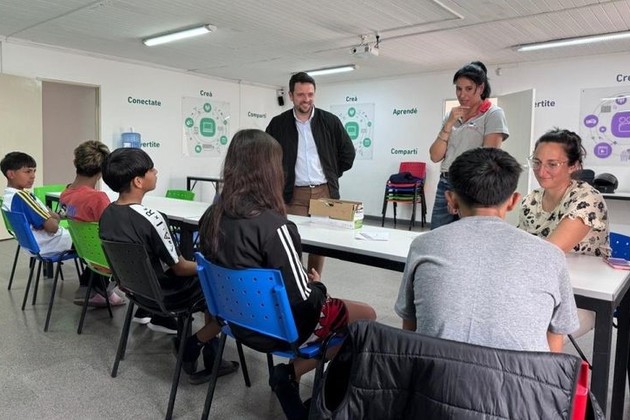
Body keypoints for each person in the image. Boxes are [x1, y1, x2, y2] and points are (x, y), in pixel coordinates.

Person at [199, 129, 375, 420]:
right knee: (366, 317)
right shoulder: (276, 227)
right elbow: (302, 299)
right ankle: (294, 376)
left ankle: (289, 375)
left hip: (235, 321)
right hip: (280, 330)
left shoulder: (210, 217)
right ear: (269, 171)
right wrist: (319, 286)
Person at [395, 147, 579, 352]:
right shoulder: (551, 255)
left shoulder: (423, 245)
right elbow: (556, 338)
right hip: (518, 374)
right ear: (513, 201)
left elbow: (409, 329)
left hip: (435, 371)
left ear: (451, 199)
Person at [99, 148, 239, 384]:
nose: (155, 172)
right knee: (221, 286)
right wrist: (212, 267)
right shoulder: (152, 217)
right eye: (151, 169)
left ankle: (205, 349)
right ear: (138, 181)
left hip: (138, 292)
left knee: (207, 279)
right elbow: (180, 268)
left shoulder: (107, 215)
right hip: (167, 294)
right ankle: (199, 347)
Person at [519, 128, 610, 338]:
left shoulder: (588, 198)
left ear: (573, 166)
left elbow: (549, 251)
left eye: (552, 164)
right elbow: (519, 246)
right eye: (537, 162)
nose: (541, 171)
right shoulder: (531, 200)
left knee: (530, 334)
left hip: (581, 296)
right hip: (538, 286)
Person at [266, 72, 356, 275]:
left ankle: (315, 283)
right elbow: (266, 158)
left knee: (319, 243)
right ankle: (295, 282)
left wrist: (331, 174)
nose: (306, 99)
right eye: (300, 95)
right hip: (293, 195)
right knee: (292, 241)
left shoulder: (330, 121)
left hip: (324, 193)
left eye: (310, 94)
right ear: (291, 95)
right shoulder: (278, 124)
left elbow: (348, 154)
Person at [428, 61, 509, 230]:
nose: (462, 94)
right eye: (458, 89)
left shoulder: (493, 114)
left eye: (468, 89)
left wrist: (461, 195)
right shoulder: (451, 116)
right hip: (446, 182)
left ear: (480, 88)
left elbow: (489, 157)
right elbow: (435, 156)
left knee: (469, 236)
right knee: (438, 233)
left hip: (472, 184)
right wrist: (449, 124)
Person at [59, 140, 125, 307]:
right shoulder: (97, 198)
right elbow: (113, 229)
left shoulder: (65, 193)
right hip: (103, 256)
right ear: (103, 170)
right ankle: (103, 290)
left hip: (85, 251)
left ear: (75, 162)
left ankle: (95, 289)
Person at [1, 151, 73, 256]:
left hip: (32, 245)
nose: (33, 176)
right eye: (28, 172)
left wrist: (49, 216)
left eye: (34, 171)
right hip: (52, 243)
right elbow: (53, 227)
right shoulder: (23, 197)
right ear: (11, 174)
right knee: (91, 241)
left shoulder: (8, 196)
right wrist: (52, 216)